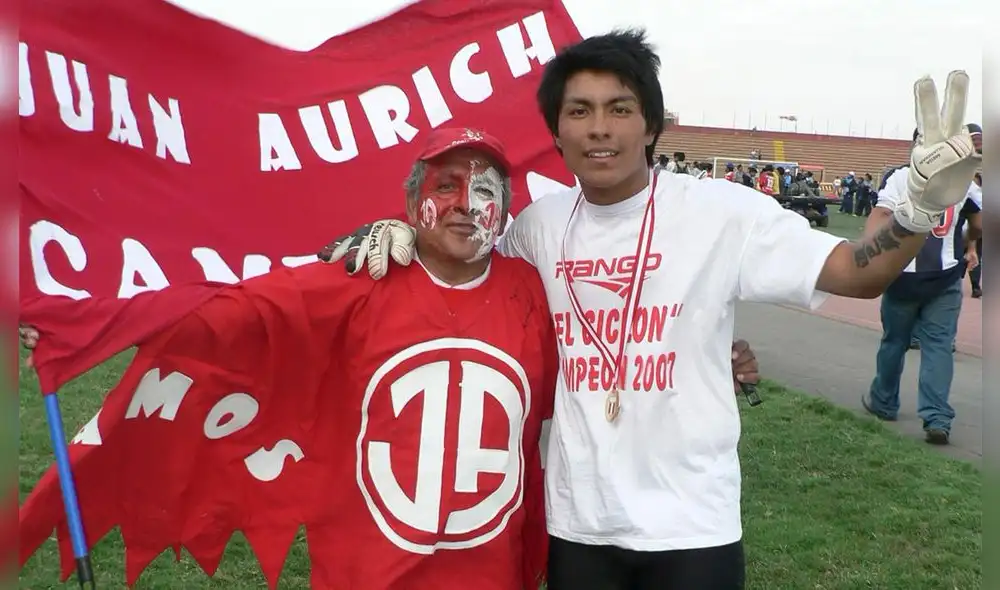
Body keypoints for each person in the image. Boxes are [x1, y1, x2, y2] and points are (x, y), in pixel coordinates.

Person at [320, 30, 979, 590]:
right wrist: (402, 235)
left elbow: (853, 273)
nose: (599, 128)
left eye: (619, 108)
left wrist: (918, 209)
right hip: (577, 527)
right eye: (579, 111)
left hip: (692, 528)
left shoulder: (722, 213)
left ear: (652, 123)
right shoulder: (537, 228)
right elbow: (457, 268)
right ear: (556, 130)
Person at [18, 125, 764, 589]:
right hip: (368, 570)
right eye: (446, 187)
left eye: (485, 189)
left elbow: (606, 354)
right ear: (413, 204)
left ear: (506, 209)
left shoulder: (530, 290)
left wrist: (702, 352)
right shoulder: (358, 278)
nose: (467, 204)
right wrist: (80, 318)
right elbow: (224, 312)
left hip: (490, 571)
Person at [865, 124, 982, 445]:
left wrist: (870, 247)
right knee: (938, 347)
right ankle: (937, 416)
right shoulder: (962, 181)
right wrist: (969, 243)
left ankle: (884, 401)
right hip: (944, 276)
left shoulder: (901, 177)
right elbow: (980, 221)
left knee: (894, 342)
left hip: (902, 275)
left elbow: (879, 214)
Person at [968, 172, 983, 298]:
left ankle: (975, 286)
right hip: (965, 232)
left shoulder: (977, 194)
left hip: (977, 231)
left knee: (976, 255)